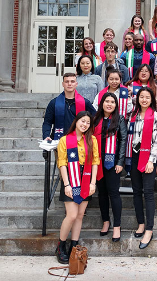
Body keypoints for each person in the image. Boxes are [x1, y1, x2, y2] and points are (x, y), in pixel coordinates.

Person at [55, 111, 99, 263]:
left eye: (88, 122)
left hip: (86, 178)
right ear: (76, 121)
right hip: (70, 178)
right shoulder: (65, 140)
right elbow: (62, 163)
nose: (85, 124)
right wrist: (66, 184)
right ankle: (61, 246)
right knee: (72, 215)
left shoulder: (92, 140)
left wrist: (93, 182)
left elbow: (95, 162)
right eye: (82, 121)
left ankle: (74, 246)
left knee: (80, 215)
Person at [126, 87, 157, 249]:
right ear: (137, 99)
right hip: (134, 156)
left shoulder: (155, 116)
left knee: (148, 193)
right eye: (142, 97)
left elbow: (156, 141)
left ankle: (149, 228)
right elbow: (128, 137)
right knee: (136, 191)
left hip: (148, 158)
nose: (144, 100)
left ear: (151, 99)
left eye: (147, 97)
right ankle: (140, 223)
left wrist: (151, 161)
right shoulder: (132, 116)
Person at [93, 93, 127, 242]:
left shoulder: (119, 119)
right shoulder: (95, 119)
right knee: (102, 193)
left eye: (112, 102)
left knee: (114, 193)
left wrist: (120, 162)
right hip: (97, 162)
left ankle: (117, 226)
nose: (109, 104)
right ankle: (106, 221)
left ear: (115, 105)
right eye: (107, 101)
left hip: (112, 163)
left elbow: (123, 140)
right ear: (102, 103)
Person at [43, 73, 95, 142]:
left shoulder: (85, 103)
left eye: (72, 81)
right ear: (63, 84)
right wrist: (46, 136)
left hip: (80, 142)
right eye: (67, 81)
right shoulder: (54, 103)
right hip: (59, 141)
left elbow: (95, 118)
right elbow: (47, 122)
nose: (69, 84)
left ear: (76, 84)